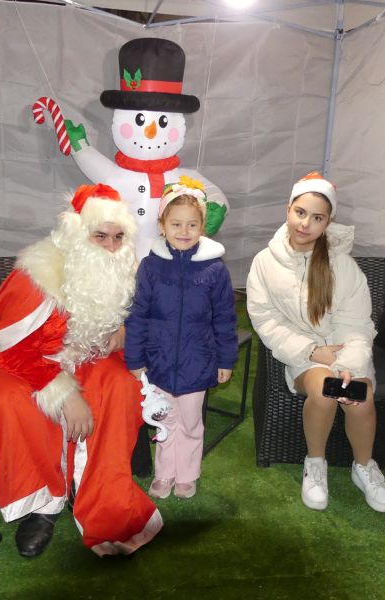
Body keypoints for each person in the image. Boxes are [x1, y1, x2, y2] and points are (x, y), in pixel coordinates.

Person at [0, 183, 163, 558]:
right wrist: (65, 394)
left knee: (120, 386)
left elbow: (145, 317)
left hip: (87, 354)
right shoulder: (38, 275)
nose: (111, 247)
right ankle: (43, 506)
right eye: (100, 236)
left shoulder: (124, 270)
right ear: (77, 233)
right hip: (27, 358)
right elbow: (11, 345)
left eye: (119, 237)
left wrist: (124, 333)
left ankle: (99, 489)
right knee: (10, 401)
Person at [246, 172, 385, 513]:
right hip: (302, 354)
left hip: (347, 352)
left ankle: (364, 467)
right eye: (300, 212)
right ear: (288, 210)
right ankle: (315, 464)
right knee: (326, 391)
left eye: (317, 218)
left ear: (328, 222)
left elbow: (357, 323)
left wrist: (349, 365)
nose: (306, 224)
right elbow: (266, 320)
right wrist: (311, 351)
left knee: (359, 398)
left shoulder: (343, 266)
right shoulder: (264, 263)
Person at [124, 177, 239, 500]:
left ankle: (187, 475)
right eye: (176, 224)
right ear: (162, 225)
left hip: (198, 361)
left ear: (203, 226)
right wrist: (135, 357)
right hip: (158, 361)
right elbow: (138, 315)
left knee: (189, 422)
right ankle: (164, 473)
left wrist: (226, 359)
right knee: (164, 420)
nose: (184, 231)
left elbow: (225, 318)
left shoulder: (215, 270)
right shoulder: (150, 267)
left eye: (192, 224)